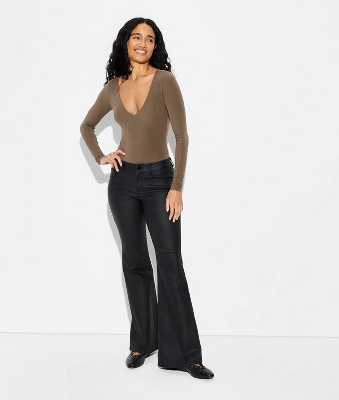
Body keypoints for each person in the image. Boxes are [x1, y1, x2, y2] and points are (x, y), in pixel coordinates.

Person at [80, 17, 214, 380]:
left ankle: (186, 355)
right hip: (122, 183)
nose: (143, 43)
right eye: (136, 37)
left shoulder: (165, 80)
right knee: (135, 261)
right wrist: (102, 156)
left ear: (156, 46)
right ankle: (142, 343)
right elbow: (86, 125)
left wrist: (177, 186)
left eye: (150, 39)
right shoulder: (113, 86)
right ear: (126, 42)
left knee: (170, 263)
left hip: (160, 181)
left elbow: (182, 136)